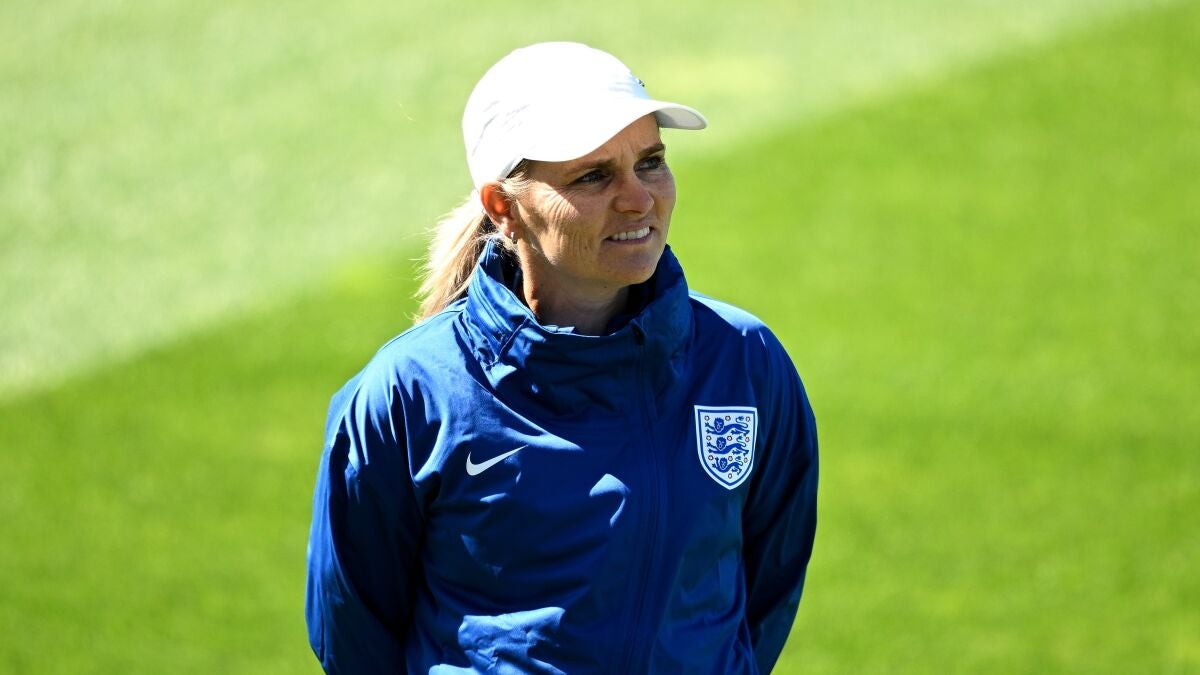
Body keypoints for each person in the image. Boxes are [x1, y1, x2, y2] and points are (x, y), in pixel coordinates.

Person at [306, 41, 818, 674]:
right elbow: (353, 632)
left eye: (651, 162)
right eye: (594, 176)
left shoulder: (743, 362)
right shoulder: (411, 392)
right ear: (504, 208)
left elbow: (766, 589)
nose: (639, 199)